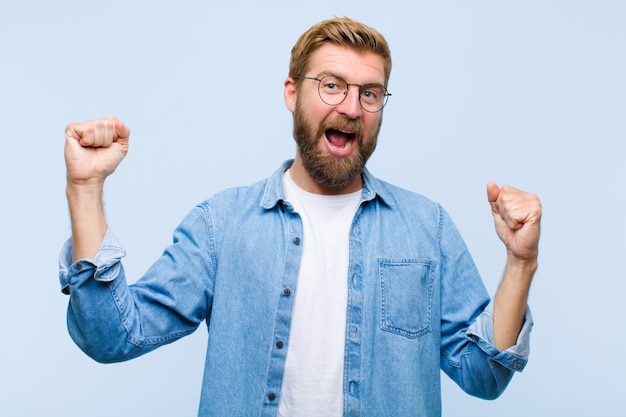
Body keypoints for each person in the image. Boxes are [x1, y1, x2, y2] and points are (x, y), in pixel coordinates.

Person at [60, 17, 541, 417]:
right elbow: (111, 337)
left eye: (370, 93)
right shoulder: (221, 226)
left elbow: (484, 375)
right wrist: (86, 191)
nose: (351, 108)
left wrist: (520, 265)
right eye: (331, 86)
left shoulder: (426, 227)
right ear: (292, 93)